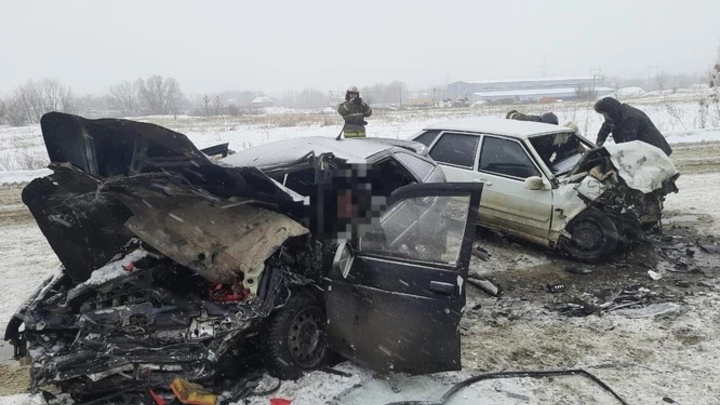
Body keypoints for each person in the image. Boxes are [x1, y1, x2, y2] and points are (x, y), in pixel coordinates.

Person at [593, 97, 672, 156]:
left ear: (611, 112)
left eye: (604, 114)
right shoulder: (617, 115)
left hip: (655, 151)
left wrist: (609, 154)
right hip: (643, 149)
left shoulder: (630, 119)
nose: (604, 117)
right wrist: (598, 144)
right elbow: (605, 129)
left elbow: (626, 145)